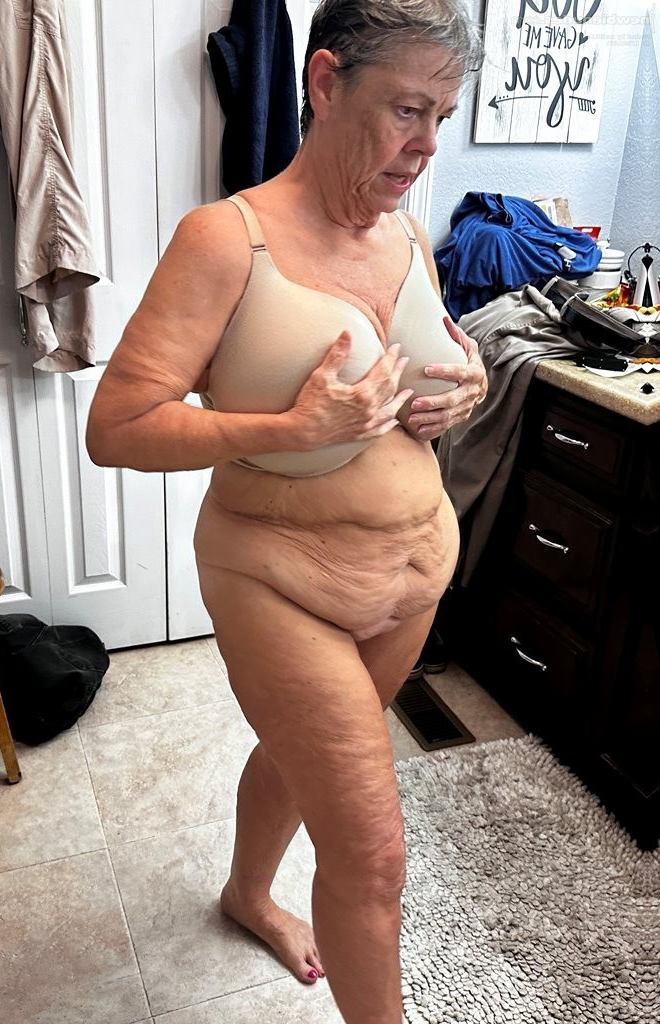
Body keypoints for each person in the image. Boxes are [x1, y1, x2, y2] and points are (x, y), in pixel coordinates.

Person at [86, 2, 485, 1021]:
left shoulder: (407, 232)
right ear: (325, 83)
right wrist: (287, 426)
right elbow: (117, 426)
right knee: (374, 853)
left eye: (442, 116)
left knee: (303, 754)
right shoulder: (227, 239)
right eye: (407, 110)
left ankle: (246, 894)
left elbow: (427, 362)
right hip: (281, 580)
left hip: (412, 576)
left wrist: (462, 387)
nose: (427, 145)